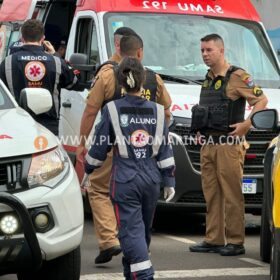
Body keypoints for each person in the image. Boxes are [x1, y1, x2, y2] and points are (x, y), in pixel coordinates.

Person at [76, 33, 172, 264]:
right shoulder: (153, 78)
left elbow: (91, 110)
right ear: (140, 52)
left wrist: (82, 142)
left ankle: (110, 240)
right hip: (144, 153)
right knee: (139, 201)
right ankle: (138, 247)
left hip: (111, 146)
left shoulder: (108, 75)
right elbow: (166, 112)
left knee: (98, 190)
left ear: (119, 50)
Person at [189, 34, 268, 256]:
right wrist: (199, 131)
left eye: (209, 50)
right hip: (209, 145)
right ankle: (213, 239)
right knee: (212, 194)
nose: (204, 54)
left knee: (232, 194)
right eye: (202, 50)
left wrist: (247, 124)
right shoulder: (208, 78)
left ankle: (235, 241)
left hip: (229, 145)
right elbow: (207, 111)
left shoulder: (237, 76)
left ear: (221, 51)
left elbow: (261, 100)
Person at [0, 19, 77, 135]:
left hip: (16, 125)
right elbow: (74, 82)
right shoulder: (56, 62)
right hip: (48, 127)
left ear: (22, 39)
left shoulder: (7, 62)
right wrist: (55, 54)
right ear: (43, 39)